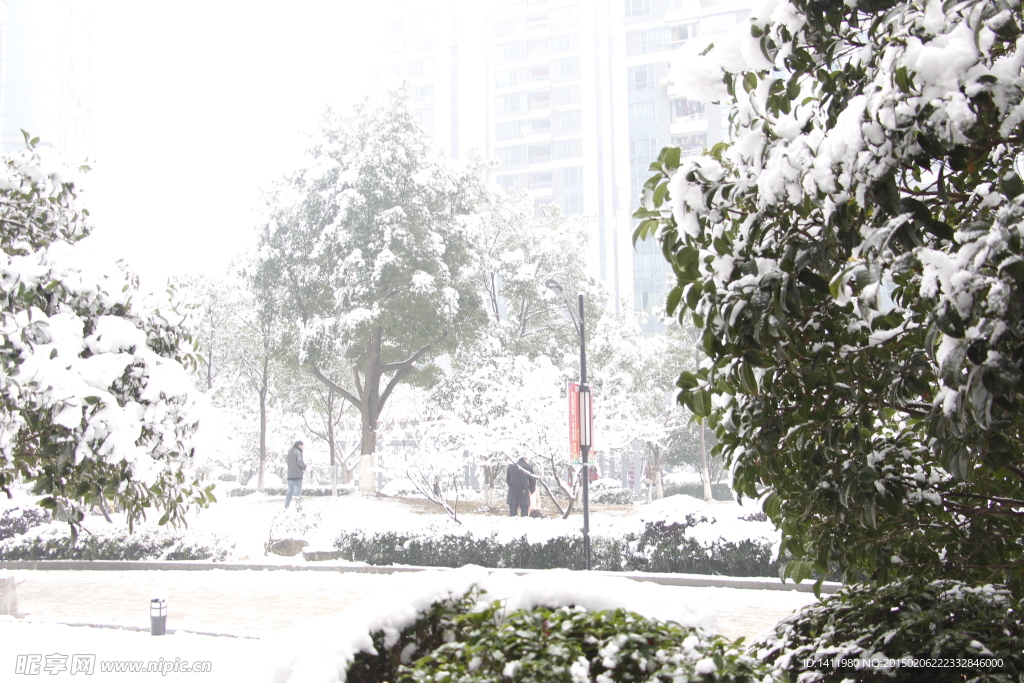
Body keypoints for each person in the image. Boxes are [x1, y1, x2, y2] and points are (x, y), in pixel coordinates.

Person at [285, 441, 306, 509]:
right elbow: (299, 461)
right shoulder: (298, 452)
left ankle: (286, 507)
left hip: (290, 476)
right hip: (297, 476)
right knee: (298, 494)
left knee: (289, 493)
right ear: (299, 446)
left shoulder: (290, 452)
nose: (303, 448)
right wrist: (304, 467)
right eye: (302, 446)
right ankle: (298, 508)